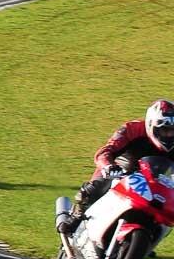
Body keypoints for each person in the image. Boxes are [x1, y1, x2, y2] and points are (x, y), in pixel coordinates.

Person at [58, 99, 174, 234]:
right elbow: (105, 151)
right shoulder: (132, 129)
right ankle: (75, 218)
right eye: (165, 130)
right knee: (95, 188)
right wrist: (108, 166)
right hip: (121, 172)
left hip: (155, 183)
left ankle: (147, 236)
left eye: (173, 131)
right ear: (151, 124)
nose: (169, 135)